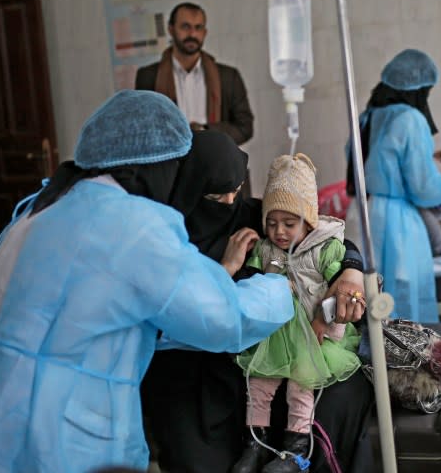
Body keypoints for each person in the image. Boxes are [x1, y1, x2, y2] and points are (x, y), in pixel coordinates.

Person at [0, 90, 293, 473]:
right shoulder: (133, 225)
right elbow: (222, 318)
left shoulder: (44, 207)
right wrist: (281, 286)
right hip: (52, 431)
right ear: (152, 166)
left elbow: (96, 318)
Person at [141, 131, 375, 473]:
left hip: (248, 360)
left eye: (236, 188)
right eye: (215, 194)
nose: (229, 200)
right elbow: (178, 312)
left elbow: (327, 238)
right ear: (190, 186)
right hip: (184, 369)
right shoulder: (163, 235)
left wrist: (351, 272)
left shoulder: (256, 215)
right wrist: (227, 268)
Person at [232, 154, 362, 473]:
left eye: (289, 224)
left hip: (313, 334)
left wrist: (323, 319)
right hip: (275, 335)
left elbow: (340, 285)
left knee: (300, 388)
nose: (279, 232)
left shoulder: (325, 249)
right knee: (260, 385)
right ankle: (255, 444)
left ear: (309, 220)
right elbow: (247, 278)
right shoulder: (265, 250)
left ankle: (296, 450)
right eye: (272, 223)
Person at [346, 49, 441, 323]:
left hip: (360, 212)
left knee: (367, 297)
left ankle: (372, 359)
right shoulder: (410, 119)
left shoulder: (367, 117)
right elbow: (421, 181)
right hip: (397, 221)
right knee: (401, 297)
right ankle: (407, 360)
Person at [135, 2, 254, 145]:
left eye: (198, 28)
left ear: (205, 32)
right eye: (185, 27)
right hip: (171, 164)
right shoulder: (148, 76)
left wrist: (205, 131)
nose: (192, 34)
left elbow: (245, 127)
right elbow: (142, 129)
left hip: (218, 163)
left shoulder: (228, 76)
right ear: (171, 30)